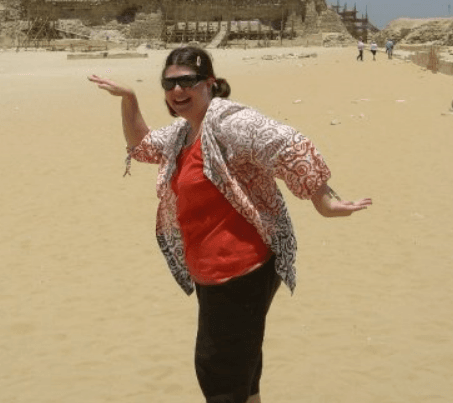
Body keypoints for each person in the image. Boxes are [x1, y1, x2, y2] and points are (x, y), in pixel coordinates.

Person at [89, 46, 372, 403]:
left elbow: (288, 143)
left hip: (239, 271)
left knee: (218, 373)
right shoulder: (184, 132)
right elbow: (143, 146)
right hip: (213, 271)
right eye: (169, 83)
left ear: (210, 83)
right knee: (242, 365)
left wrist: (323, 200)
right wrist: (128, 98)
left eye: (188, 81)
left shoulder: (227, 122)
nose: (177, 91)